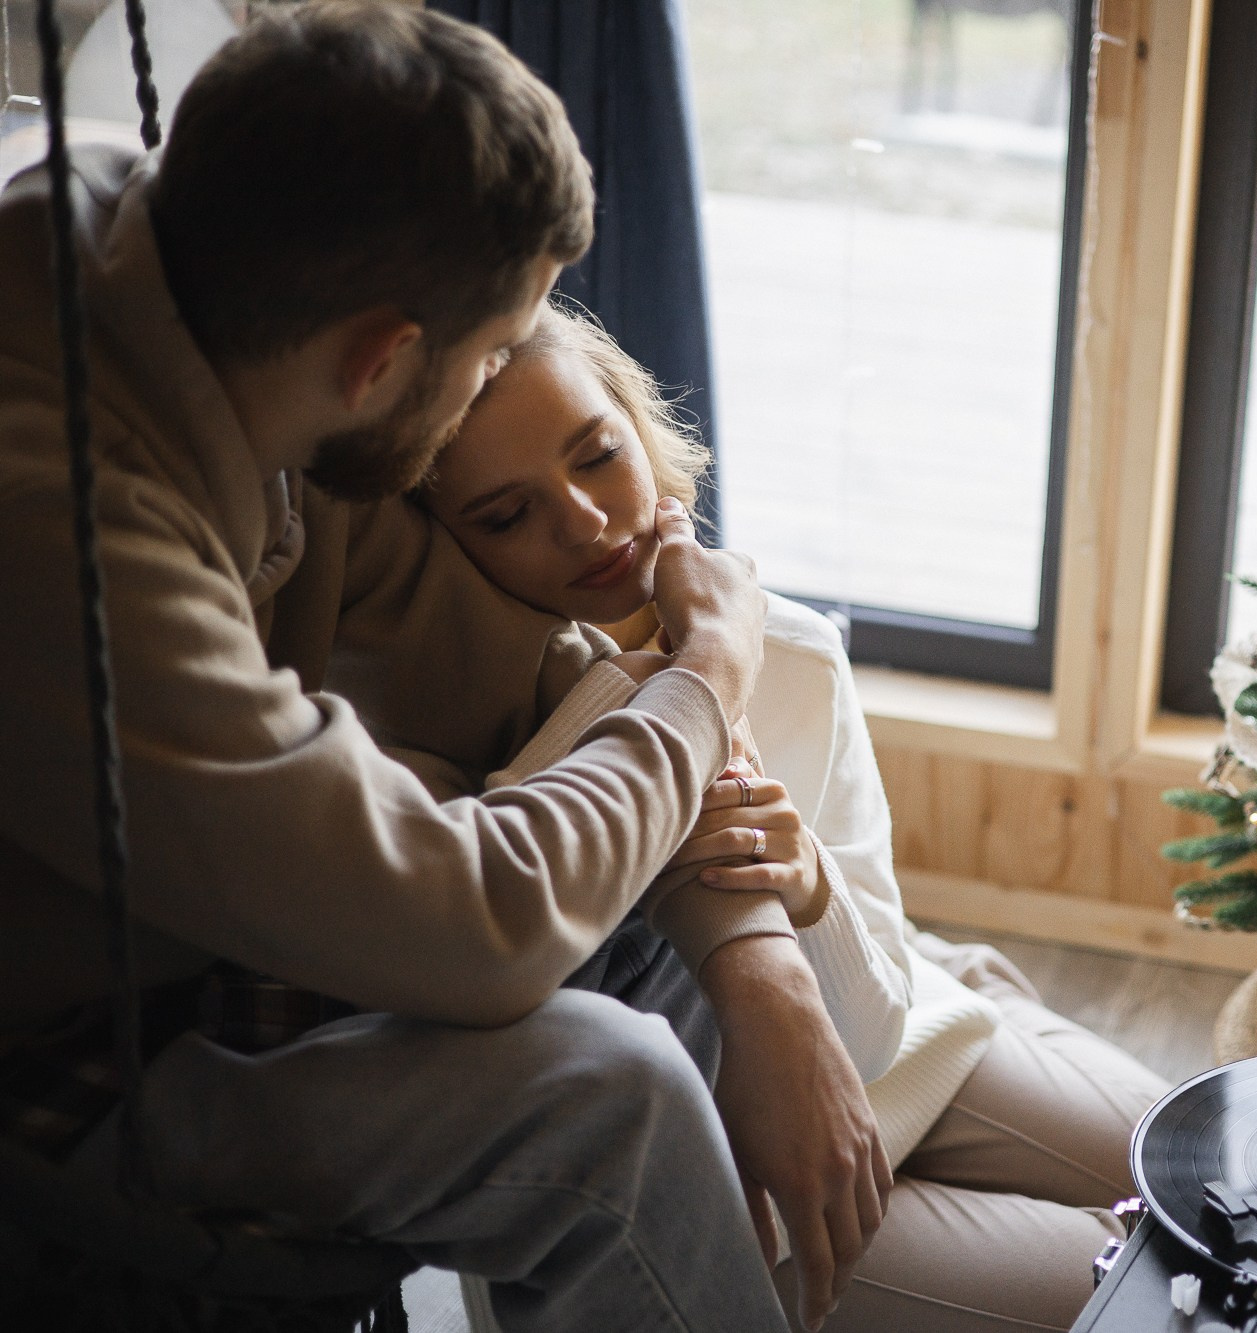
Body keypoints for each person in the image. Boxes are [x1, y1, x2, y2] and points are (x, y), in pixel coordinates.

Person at [0, 6, 880, 1330]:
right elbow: (484, 932)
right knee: (614, 1097)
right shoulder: (63, 528)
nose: (487, 394)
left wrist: (762, 966)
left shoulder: (234, 296)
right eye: (481, 366)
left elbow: (564, 681)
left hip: (223, 951)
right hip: (86, 1062)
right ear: (383, 359)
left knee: (652, 938)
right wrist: (709, 664)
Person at [381, 299, 1171, 1332]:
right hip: (729, 1201)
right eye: (505, 515)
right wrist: (644, 687)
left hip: (902, 1039)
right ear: (437, 547)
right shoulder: (460, 767)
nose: (582, 521)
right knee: (1152, 1293)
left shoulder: (790, 650)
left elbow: (875, 1023)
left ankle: (985, 986)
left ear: (641, 432)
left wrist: (809, 891)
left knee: (1214, 1184)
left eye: (598, 456)